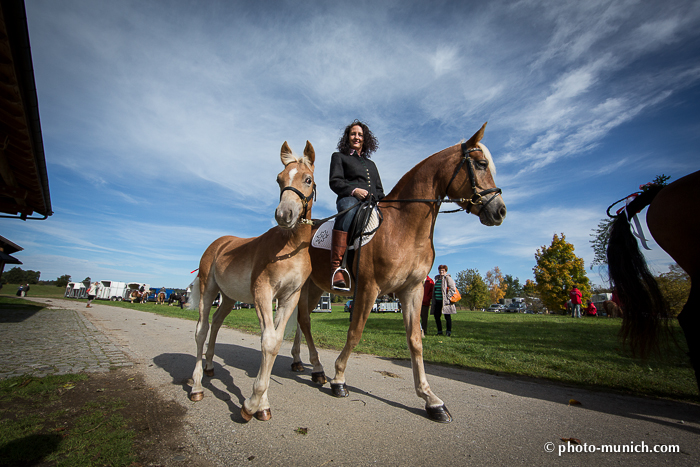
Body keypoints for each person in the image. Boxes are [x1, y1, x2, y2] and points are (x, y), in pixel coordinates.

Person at [328, 120, 385, 289]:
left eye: (360, 134)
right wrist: (355, 191)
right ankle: (336, 267)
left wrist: (384, 200)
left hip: (371, 202)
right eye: (353, 134)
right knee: (347, 210)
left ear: (365, 138)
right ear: (348, 137)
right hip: (350, 199)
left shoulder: (372, 165)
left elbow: (380, 190)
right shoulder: (339, 157)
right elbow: (335, 182)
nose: (357, 137)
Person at [431, 265, 457, 336]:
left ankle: (448, 331)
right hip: (437, 301)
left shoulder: (447, 278)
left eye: (443, 270)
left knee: (447, 317)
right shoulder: (437, 279)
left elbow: (452, 288)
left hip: (445, 302)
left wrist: (447, 297)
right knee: (436, 316)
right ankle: (439, 331)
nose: (441, 272)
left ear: (445, 271)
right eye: (440, 270)